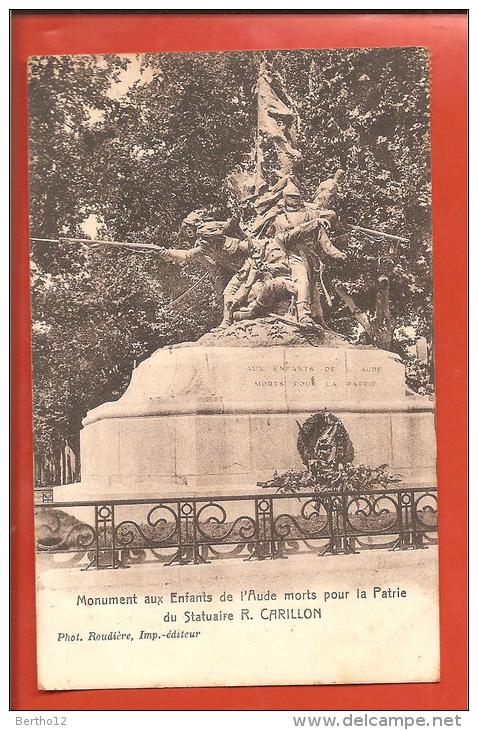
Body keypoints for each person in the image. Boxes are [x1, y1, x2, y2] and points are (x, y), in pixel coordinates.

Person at [156, 210, 249, 309]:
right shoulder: (200, 244)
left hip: (242, 263)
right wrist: (169, 254)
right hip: (223, 270)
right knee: (222, 295)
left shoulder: (212, 232)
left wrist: (237, 214)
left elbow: (231, 227)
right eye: (186, 227)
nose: (188, 229)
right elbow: (187, 256)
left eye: (190, 226)